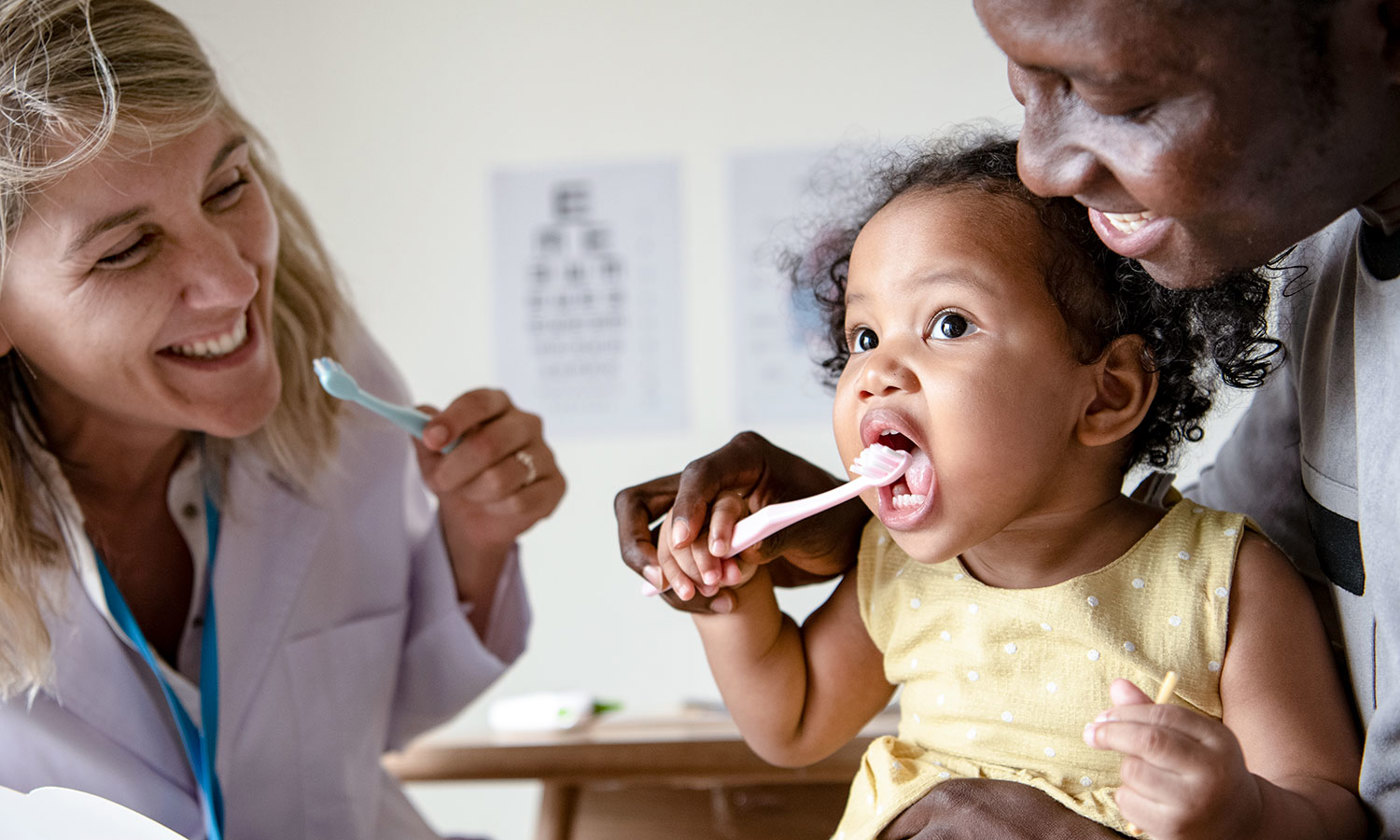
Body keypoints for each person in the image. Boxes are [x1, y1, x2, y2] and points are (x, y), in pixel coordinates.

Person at [616, 0, 1400, 835]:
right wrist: (730, 600)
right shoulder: (900, 571)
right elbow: (795, 720)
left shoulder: (1224, 583)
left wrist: (1242, 815)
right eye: (863, 335)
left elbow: (1328, 811)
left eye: (949, 324)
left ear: (1104, 395)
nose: (875, 372)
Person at [0, 1, 566, 838]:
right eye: (127, 250)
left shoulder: (333, 377)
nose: (232, 284)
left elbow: (381, 715)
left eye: (227, 187)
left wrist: (473, 539)